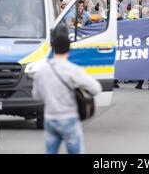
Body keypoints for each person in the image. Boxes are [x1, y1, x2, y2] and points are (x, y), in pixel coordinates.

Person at [32, 24, 102, 154]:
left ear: (52, 48)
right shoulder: (73, 70)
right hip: (69, 117)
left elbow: (36, 96)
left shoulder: (41, 71)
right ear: (69, 49)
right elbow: (96, 88)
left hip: (50, 118)